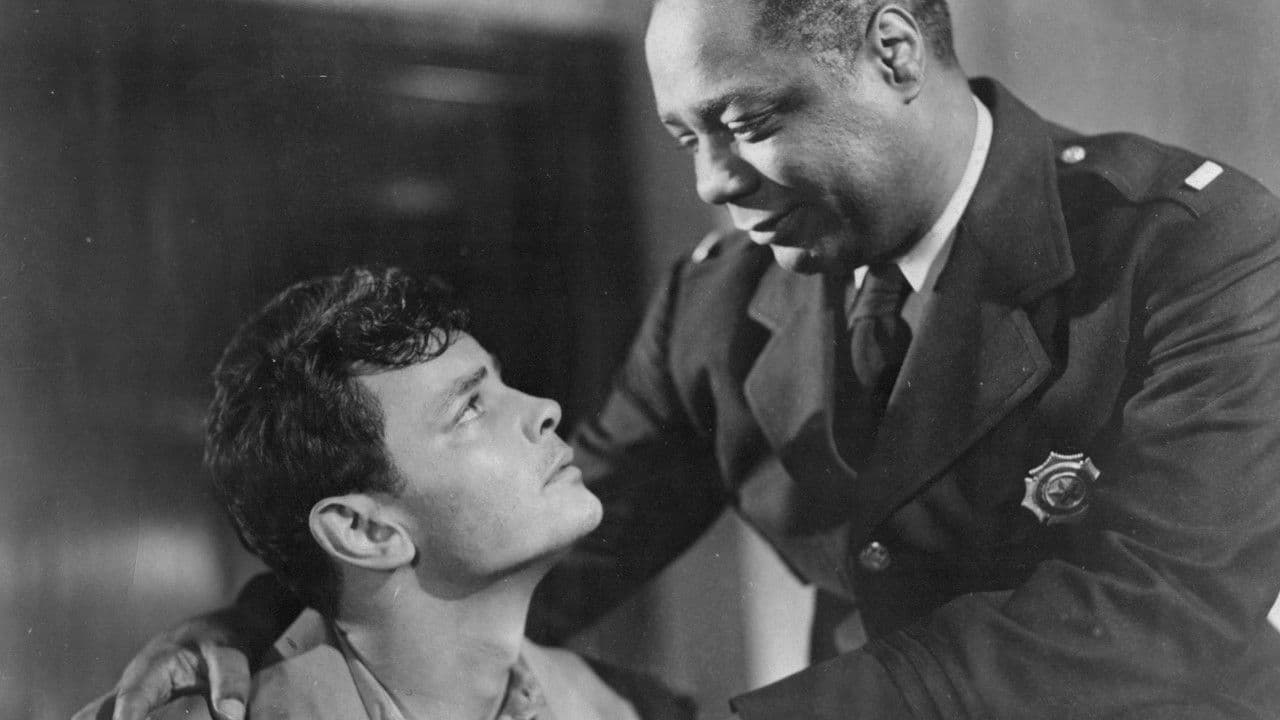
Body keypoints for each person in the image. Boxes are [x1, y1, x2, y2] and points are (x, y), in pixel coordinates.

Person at [82, 0, 1280, 717]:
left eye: (747, 123)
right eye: (684, 138)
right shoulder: (723, 299)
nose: (712, 183)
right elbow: (562, 530)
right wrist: (253, 623)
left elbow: (1163, 611)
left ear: (891, 49)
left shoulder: (1186, 248)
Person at [80, 267, 691, 720]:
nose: (546, 408)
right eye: (470, 407)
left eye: (500, 385)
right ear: (364, 530)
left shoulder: (642, 710)